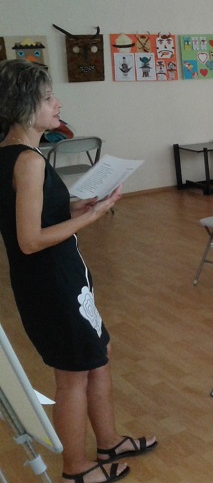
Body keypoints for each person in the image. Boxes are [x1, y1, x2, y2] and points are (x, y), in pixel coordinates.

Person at [0, 59, 156, 483]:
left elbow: (33, 217)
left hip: (60, 278)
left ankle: (108, 442)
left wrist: (73, 208)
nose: (57, 103)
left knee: (98, 355)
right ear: (25, 105)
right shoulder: (27, 161)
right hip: (51, 283)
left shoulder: (15, 155)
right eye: (49, 97)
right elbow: (30, 240)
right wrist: (93, 216)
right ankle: (75, 469)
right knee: (73, 376)